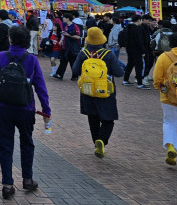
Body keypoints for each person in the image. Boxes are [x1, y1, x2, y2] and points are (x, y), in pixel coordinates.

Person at [0, 26, 51, 199]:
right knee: (27, 143)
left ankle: (7, 184)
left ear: (11, 39)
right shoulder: (32, 59)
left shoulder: (0, 57)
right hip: (26, 108)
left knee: (5, 144)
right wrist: (46, 110)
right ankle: (27, 179)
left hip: (4, 107)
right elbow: (41, 87)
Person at [72, 27, 124, 158]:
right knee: (108, 119)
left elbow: (75, 70)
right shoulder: (108, 54)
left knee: (92, 118)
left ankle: (96, 142)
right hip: (105, 90)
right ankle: (102, 140)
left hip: (88, 90)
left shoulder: (83, 53)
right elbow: (118, 72)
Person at [152, 34, 177, 166]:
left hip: (169, 96)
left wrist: (162, 89)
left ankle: (171, 147)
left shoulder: (164, 57)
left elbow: (157, 78)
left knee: (169, 122)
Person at [122, 15, 151, 89]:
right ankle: (140, 83)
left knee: (130, 64)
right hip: (137, 50)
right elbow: (139, 41)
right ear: (139, 20)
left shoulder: (128, 27)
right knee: (139, 66)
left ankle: (125, 80)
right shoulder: (138, 29)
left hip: (129, 49)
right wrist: (143, 51)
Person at [52, 14, 82, 81]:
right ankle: (59, 74)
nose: (63, 19)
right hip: (65, 47)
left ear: (67, 18)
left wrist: (69, 35)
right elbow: (65, 35)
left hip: (72, 48)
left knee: (72, 62)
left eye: (64, 18)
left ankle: (75, 76)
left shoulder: (75, 26)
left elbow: (78, 36)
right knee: (63, 61)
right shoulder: (66, 27)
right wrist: (62, 40)